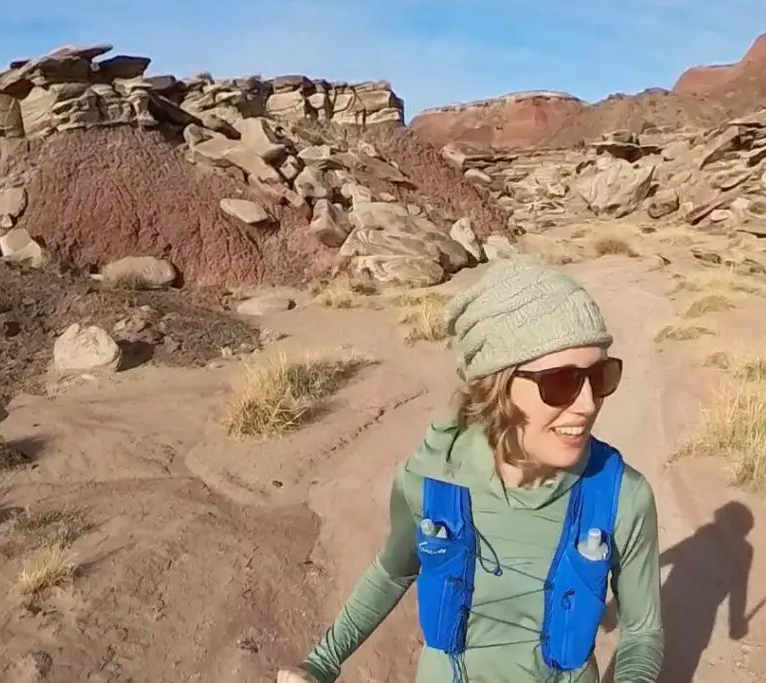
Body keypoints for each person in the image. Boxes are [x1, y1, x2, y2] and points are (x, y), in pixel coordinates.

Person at [277, 258, 663, 683]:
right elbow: (393, 572)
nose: (589, 403)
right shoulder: (429, 481)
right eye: (562, 381)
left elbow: (642, 633)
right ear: (496, 384)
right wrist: (320, 665)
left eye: (601, 376)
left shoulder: (622, 498)